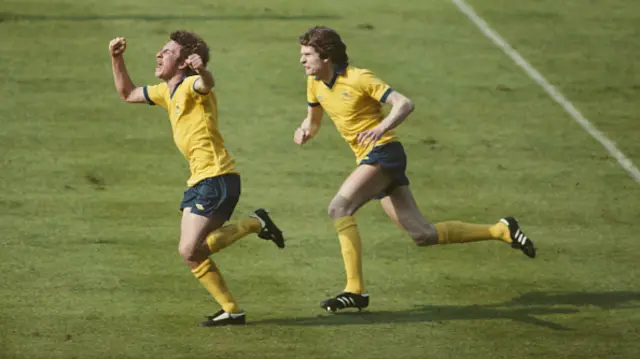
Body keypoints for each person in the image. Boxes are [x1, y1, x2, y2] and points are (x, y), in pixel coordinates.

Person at [293, 26, 536, 313]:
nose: (302, 60)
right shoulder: (315, 83)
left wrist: (381, 127)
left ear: (326, 57)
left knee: (339, 208)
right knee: (422, 235)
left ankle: (355, 290)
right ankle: (500, 230)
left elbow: (404, 104)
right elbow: (314, 119)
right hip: (369, 158)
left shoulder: (359, 78)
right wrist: (306, 129)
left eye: (307, 54)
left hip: (384, 153)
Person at [108, 31, 285, 326]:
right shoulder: (167, 91)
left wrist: (201, 68)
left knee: (189, 249)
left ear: (183, 63)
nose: (159, 54)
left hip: (217, 177)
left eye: (167, 51)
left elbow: (207, 83)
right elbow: (127, 93)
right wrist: (117, 58)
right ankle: (231, 309)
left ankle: (255, 223)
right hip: (200, 181)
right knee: (192, 253)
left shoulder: (191, 84)